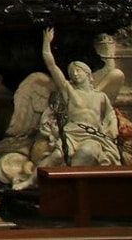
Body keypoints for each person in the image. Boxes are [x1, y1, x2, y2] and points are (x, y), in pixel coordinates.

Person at [39, 26, 121, 166]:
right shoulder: (70, 92)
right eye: (72, 73)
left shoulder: (100, 96)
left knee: (87, 152)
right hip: (72, 132)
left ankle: (74, 180)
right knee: (56, 157)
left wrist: (112, 126)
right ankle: (30, 180)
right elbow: (52, 67)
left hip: (93, 134)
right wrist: (46, 44)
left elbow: (110, 114)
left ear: (88, 74)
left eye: (78, 71)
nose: (75, 74)